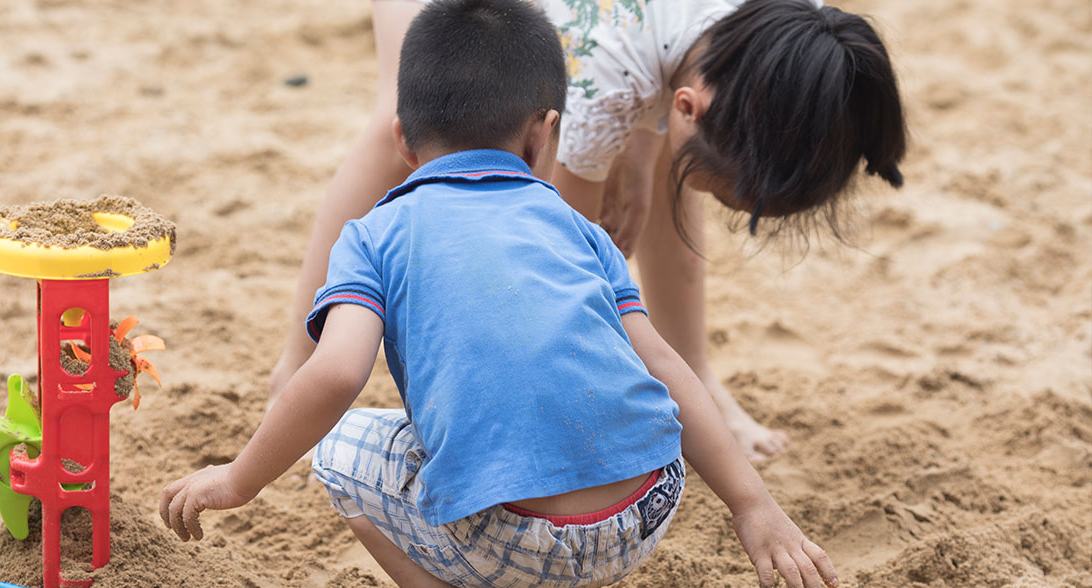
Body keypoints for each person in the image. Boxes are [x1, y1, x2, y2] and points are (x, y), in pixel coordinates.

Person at [163, 1, 840, 588]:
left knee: (338, 449)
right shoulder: (583, 231)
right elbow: (665, 367)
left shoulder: (370, 235)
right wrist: (753, 507)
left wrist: (239, 479)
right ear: (544, 134)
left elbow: (338, 374)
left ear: (402, 140)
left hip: (510, 546)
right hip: (640, 517)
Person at [268, 0, 908, 462]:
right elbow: (545, 248)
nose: (734, 211)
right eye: (730, 195)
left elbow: (661, 103)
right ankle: (297, 371)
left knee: (667, 162)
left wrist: (643, 139)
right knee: (404, 120)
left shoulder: (788, 38)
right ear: (685, 105)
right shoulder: (606, 74)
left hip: (614, 40)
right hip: (575, 36)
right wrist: (630, 136)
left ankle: (696, 375)